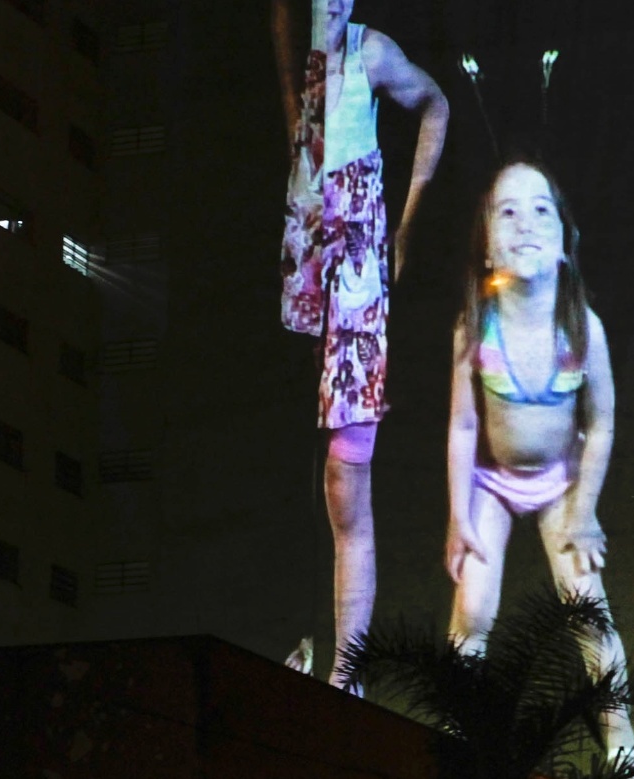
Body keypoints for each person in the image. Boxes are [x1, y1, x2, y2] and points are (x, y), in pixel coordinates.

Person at [273, 0, 448, 690]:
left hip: (355, 279)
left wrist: (406, 225)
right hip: (307, 266)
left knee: (350, 475)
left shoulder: (371, 53)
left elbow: (434, 103)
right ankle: (318, 652)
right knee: (314, 475)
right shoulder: (298, 58)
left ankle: (347, 673)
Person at [447, 160, 634, 759]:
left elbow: (601, 421)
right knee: (473, 607)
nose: (524, 223)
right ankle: (457, 729)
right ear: (486, 247)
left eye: (540, 209)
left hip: (560, 485)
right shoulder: (475, 326)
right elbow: (463, 423)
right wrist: (458, 516)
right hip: (494, 482)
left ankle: (621, 740)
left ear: (564, 242)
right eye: (506, 211)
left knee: (589, 610)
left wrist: (584, 511)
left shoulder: (583, 328)